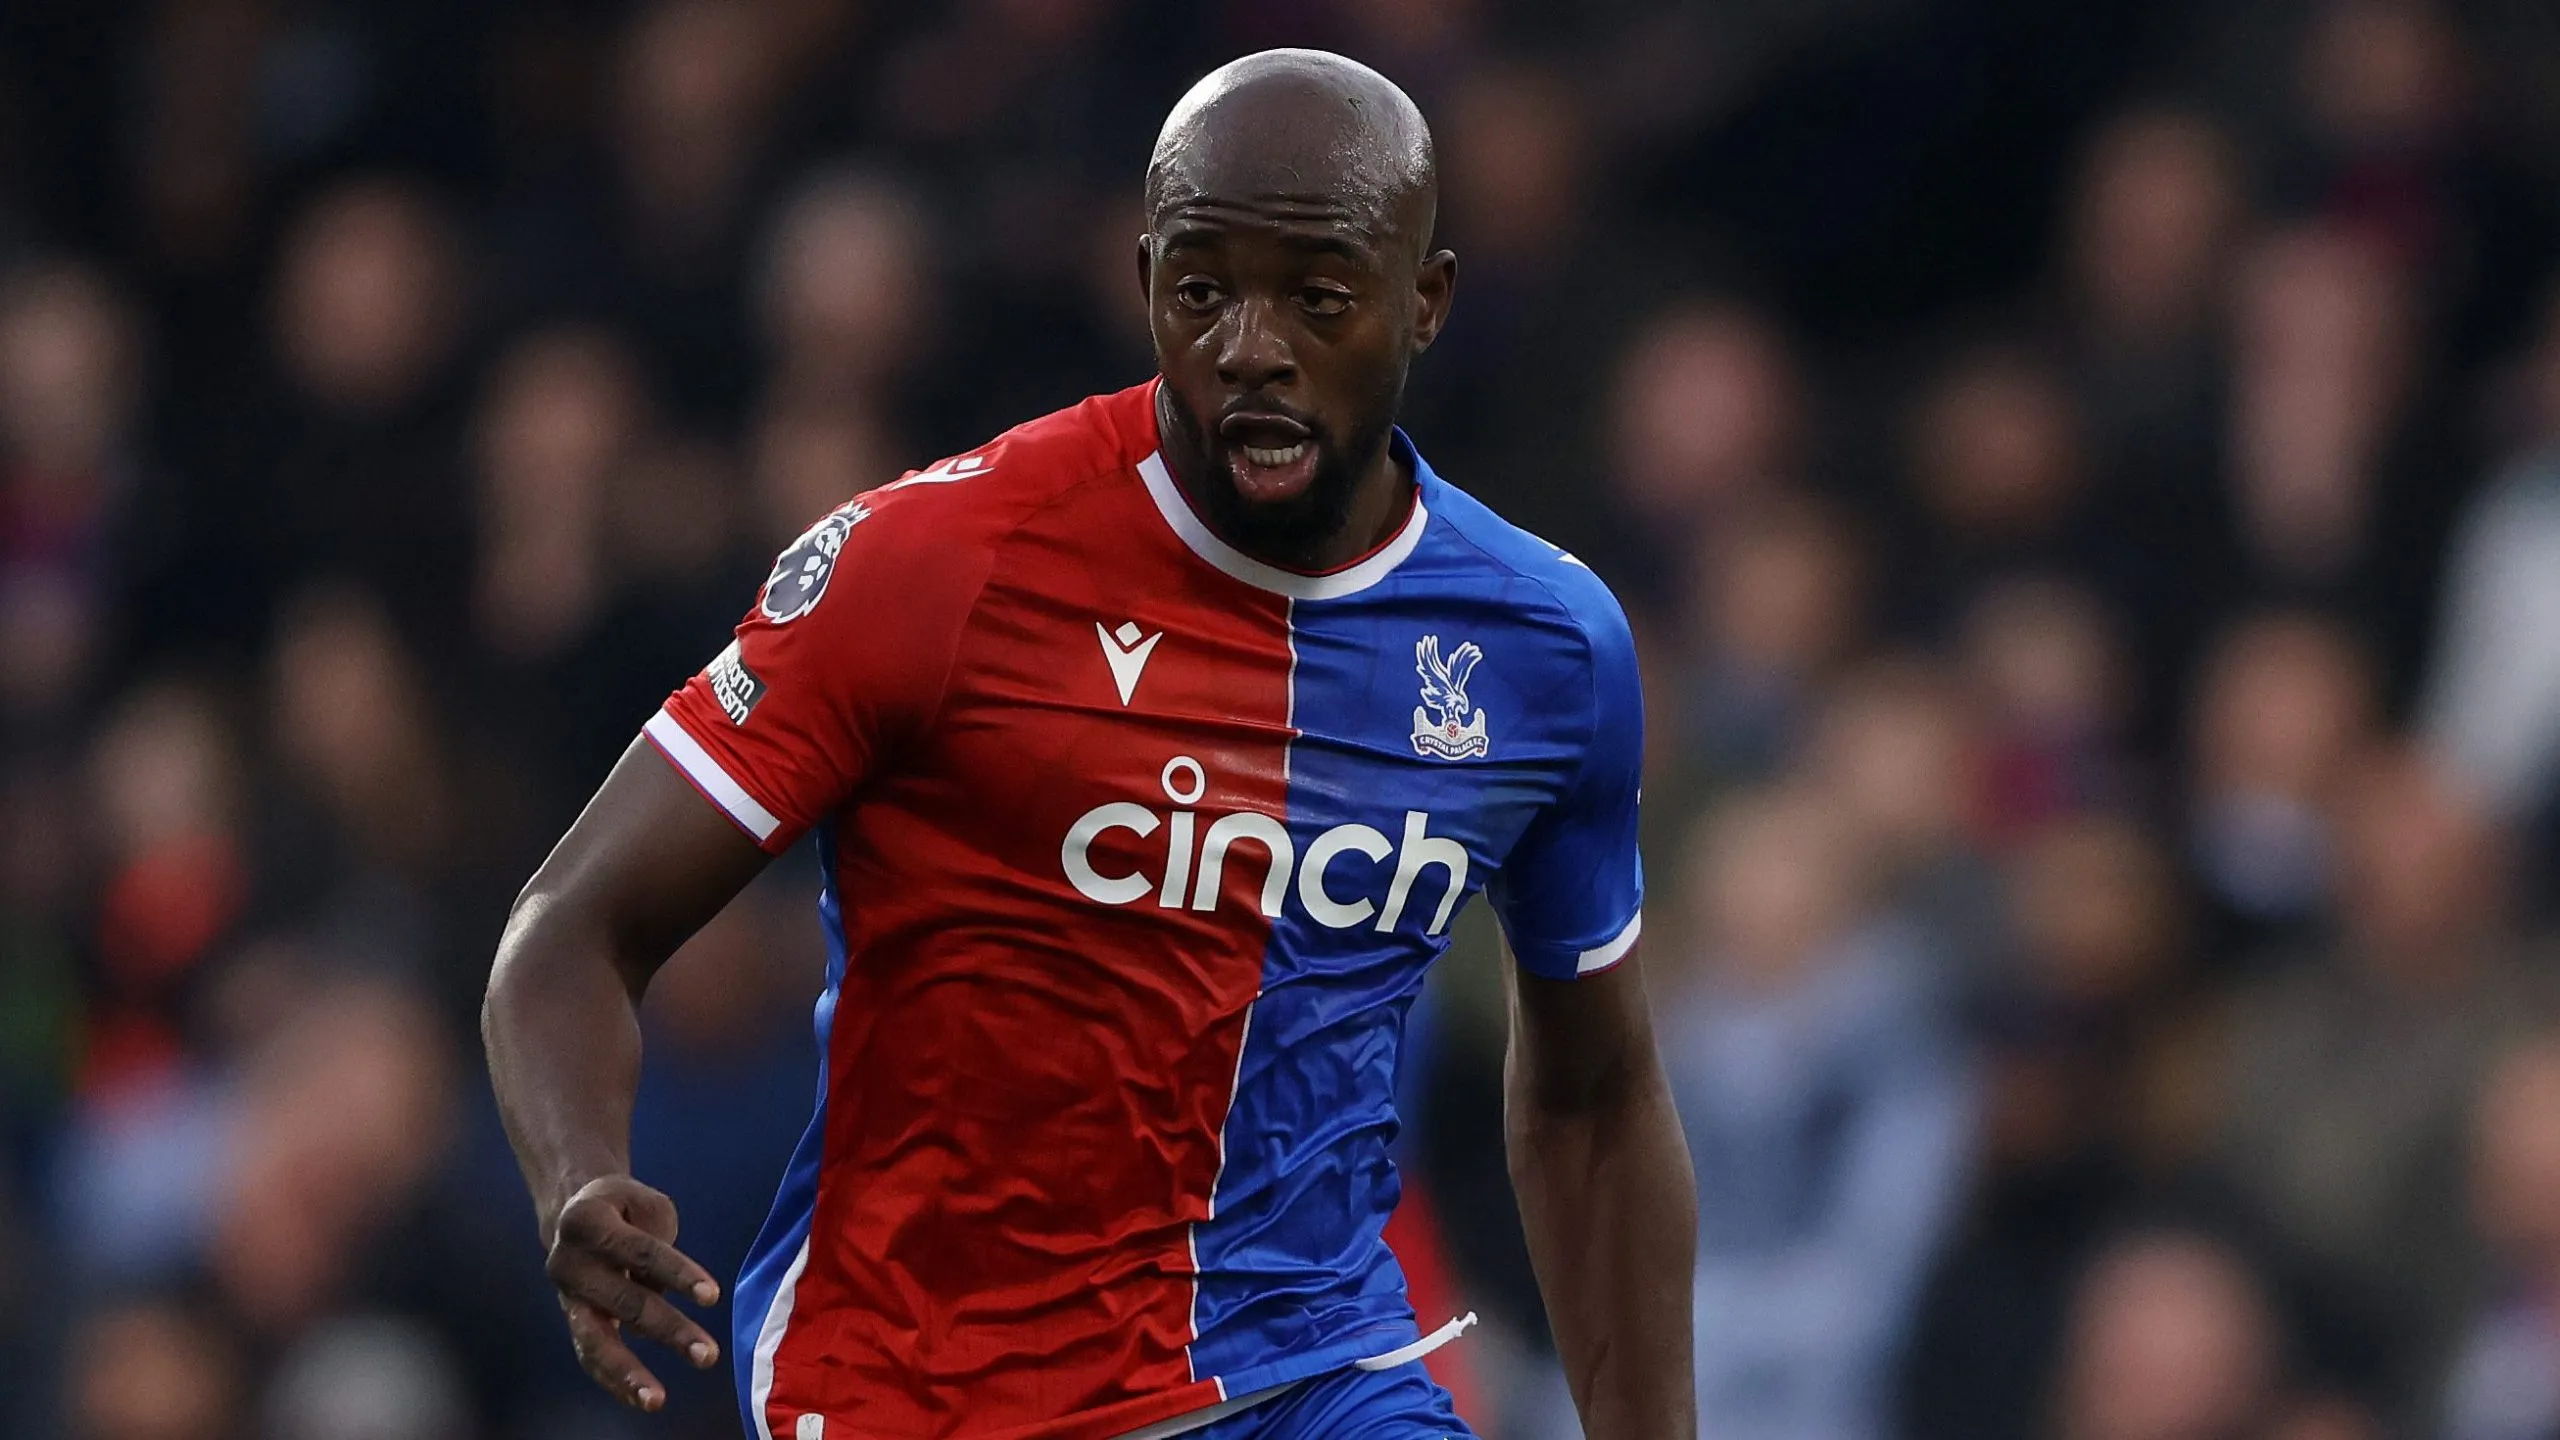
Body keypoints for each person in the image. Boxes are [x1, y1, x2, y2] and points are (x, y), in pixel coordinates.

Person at [481, 48, 1698, 1440]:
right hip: (918, 1391)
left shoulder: (1542, 648)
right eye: (1202, 290)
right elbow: (571, 927)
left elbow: (1596, 1098)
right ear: (1144, 283)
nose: (1251, 345)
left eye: (1317, 296)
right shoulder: (931, 565)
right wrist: (577, 1173)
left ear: (1425, 301)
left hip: (1307, 1375)